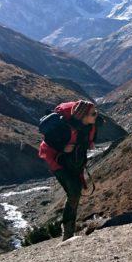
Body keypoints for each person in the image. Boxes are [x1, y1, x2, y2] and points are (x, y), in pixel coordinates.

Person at [38, 100, 98, 241]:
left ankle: (68, 231)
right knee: (74, 192)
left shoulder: (89, 124)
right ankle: (68, 233)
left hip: (74, 161)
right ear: (83, 117)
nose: (97, 115)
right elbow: (48, 142)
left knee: (75, 193)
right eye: (93, 113)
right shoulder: (64, 128)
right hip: (58, 163)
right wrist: (61, 148)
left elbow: (88, 136)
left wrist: (89, 142)